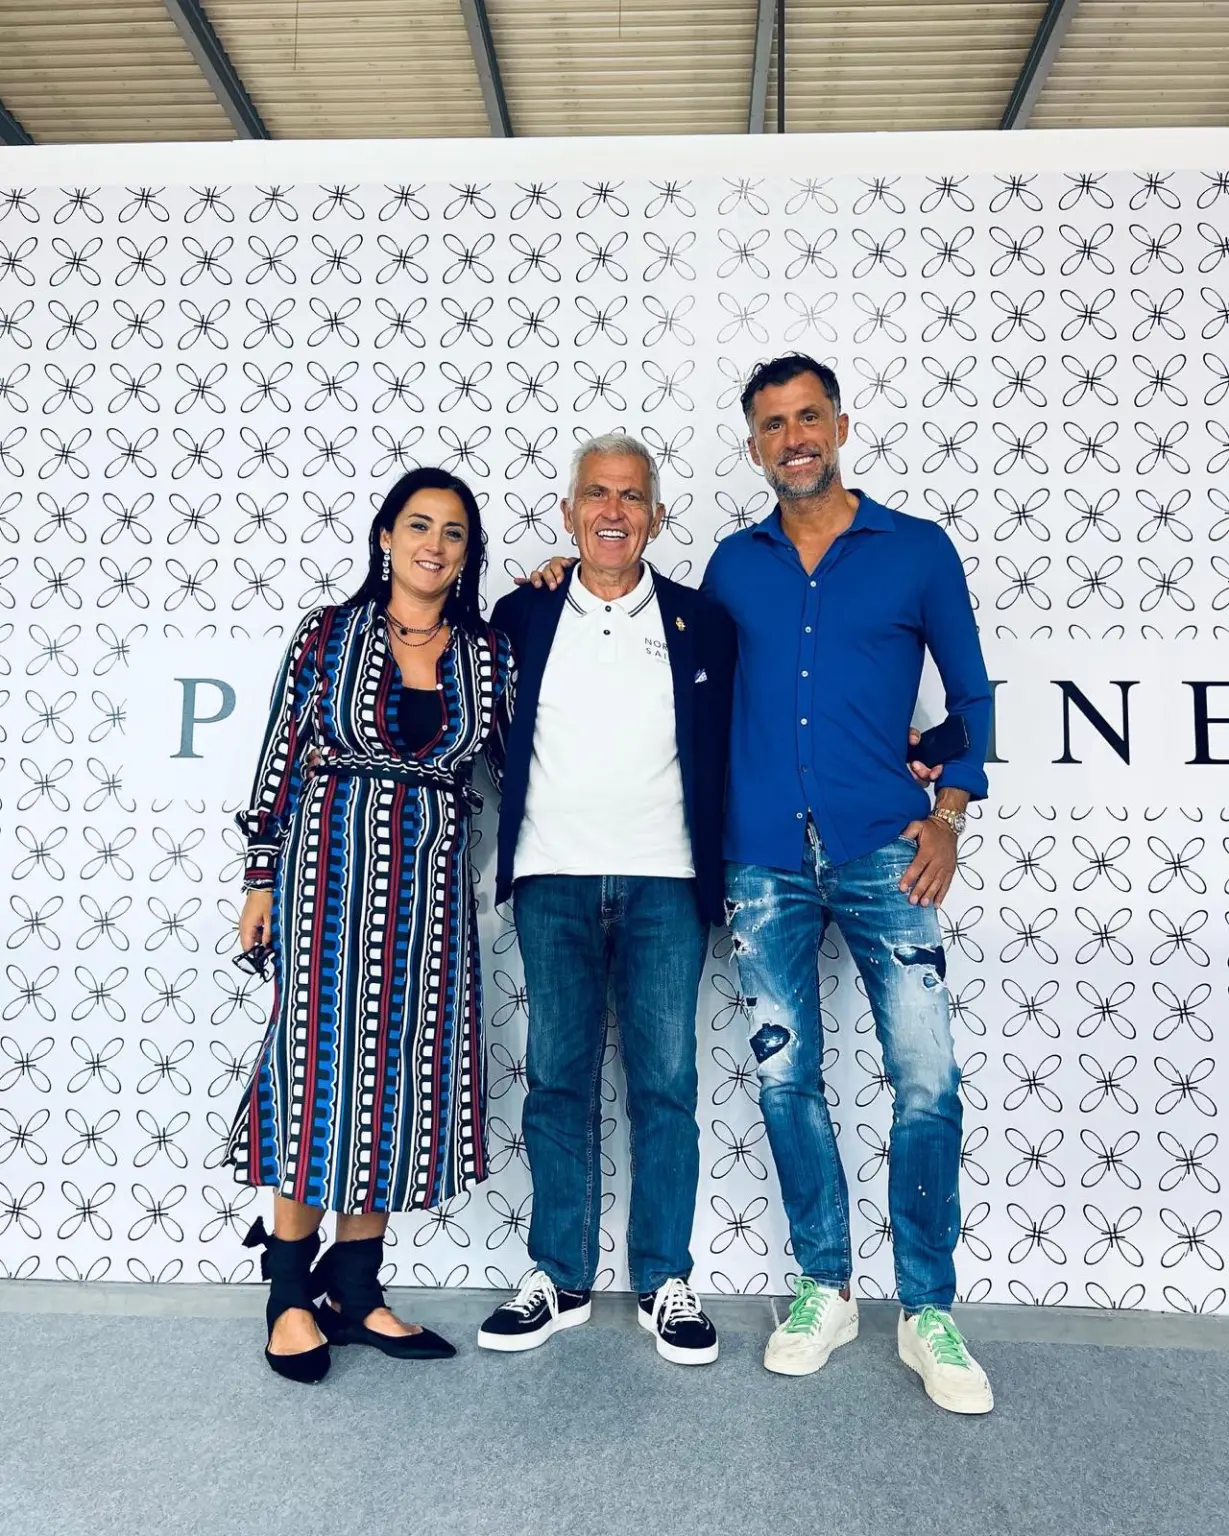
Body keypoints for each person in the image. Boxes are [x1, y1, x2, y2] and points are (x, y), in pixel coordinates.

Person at [702, 354, 994, 1413]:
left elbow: (969, 696)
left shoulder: (915, 549)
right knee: (787, 1078)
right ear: (753, 446)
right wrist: (563, 574)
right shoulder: (730, 566)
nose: (793, 438)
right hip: (761, 857)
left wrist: (947, 816)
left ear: (838, 425)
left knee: (925, 1078)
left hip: (884, 849)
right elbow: (675, 668)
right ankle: (823, 1287)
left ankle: (926, 1309)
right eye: (772, 424)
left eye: (807, 417)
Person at [228, 466, 514, 1383]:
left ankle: (354, 1291)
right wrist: (260, 877)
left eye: (454, 532)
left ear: (468, 555)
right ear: (386, 536)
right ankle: (287, 1294)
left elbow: (520, 768)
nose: (435, 544)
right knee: (317, 1076)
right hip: (328, 883)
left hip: (429, 899)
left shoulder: (488, 654)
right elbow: (281, 756)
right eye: (418, 525)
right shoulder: (329, 633)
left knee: (399, 1081)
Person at [477, 434, 735, 1365]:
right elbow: (486, 729)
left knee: (665, 1086)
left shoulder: (703, 621)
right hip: (552, 878)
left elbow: (735, 741)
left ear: (656, 517)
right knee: (557, 1081)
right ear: (568, 512)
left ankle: (665, 1279)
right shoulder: (519, 613)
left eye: (631, 496)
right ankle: (560, 1276)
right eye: (596, 494)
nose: (613, 511)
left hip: (668, 881)